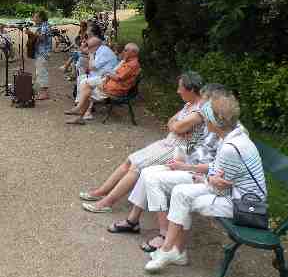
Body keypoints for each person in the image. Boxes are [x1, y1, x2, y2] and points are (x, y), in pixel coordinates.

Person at [145, 92, 266, 272]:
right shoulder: (234, 136)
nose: (204, 121)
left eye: (206, 118)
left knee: (184, 198)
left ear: (214, 122)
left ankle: (169, 250)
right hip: (234, 194)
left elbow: (220, 189)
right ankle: (173, 250)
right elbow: (219, 177)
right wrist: (208, 178)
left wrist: (208, 179)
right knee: (180, 193)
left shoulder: (230, 148)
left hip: (244, 205)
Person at [107, 84, 229, 251]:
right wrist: (183, 152)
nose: (202, 106)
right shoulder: (212, 122)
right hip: (189, 164)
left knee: (153, 178)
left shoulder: (223, 129)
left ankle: (164, 234)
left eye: (206, 103)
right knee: (146, 172)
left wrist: (184, 165)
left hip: (199, 174)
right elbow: (196, 145)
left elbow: (216, 166)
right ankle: (132, 221)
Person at [78, 72, 205, 213]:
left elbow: (175, 126)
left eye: (180, 88)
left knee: (137, 166)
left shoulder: (199, 111)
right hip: (169, 142)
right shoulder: (189, 104)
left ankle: (106, 203)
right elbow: (171, 123)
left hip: (179, 151)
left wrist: (176, 125)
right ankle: (101, 191)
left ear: (191, 90)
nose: (178, 91)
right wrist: (176, 126)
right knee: (130, 159)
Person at [65, 43, 141, 124]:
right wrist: (108, 75)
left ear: (133, 53)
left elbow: (118, 77)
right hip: (112, 85)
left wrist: (108, 74)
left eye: (126, 50)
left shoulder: (131, 65)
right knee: (86, 86)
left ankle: (79, 112)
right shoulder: (129, 62)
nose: (124, 52)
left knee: (86, 90)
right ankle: (80, 112)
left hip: (114, 89)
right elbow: (116, 74)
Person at [31, 10, 52, 100]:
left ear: (40, 18)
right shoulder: (43, 25)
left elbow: (42, 38)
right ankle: (40, 91)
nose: (33, 19)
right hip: (41, 52)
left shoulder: (44, 26)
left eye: (35, 17)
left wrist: (32, 34)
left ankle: (45, 93)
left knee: (42, 72)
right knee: (39, 72)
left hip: (43, 52)